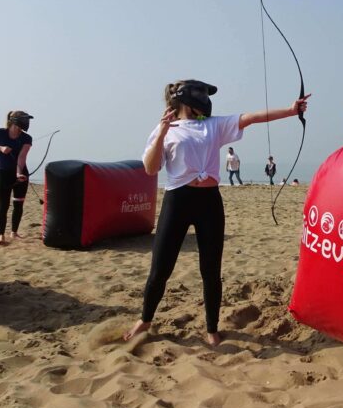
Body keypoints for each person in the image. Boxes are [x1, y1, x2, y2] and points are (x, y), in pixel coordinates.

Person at [124, 79, 310, 346]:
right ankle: (145, 319)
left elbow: (252, 118)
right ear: (185, 97)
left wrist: (291, 110)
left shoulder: (214, 125)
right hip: (177, 200)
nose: (206, 99)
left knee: (211, 270)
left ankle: (211, 328)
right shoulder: (166, 128)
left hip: (209, 202)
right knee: (160, 269)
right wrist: (163, 133)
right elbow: (151, 168)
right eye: (201, 93)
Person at [0, 111, 33, 246]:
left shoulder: (27, 138)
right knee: (3, 205)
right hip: (3, 173)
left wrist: (18, 173)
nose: (27, 123)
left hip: (20, 172)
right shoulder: (1, 132)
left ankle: (14, 232)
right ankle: (1, 235)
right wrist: (0, 148)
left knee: (18, 203)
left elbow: (22, 157)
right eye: (24, 120)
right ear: (15, 120)